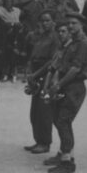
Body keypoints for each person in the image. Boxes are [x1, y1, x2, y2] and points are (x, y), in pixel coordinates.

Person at [44, 13, 87, 173]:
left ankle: (66, 164)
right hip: (67, 85)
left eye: (74, 23)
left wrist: (59, 84)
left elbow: (75, 69)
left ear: (81, 25)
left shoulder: (84, 44)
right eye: (69, 23)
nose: (71, 26)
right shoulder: (72, 42)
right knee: (60, 121)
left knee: (63, 121)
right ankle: (67, 156)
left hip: (74, 87)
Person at [23, 9, 59, 154]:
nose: (44, 23)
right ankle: (38, 140)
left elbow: (51, 61)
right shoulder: (40, 37)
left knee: (44, 112)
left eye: (47, 20)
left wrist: (36, 74)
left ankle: (45, 143)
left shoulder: (55, 38)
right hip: (36, 75)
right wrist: (29, 72)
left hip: (47, 76)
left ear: (53, 22)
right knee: (35, 112)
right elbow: (32, 57)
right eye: (42, 20)